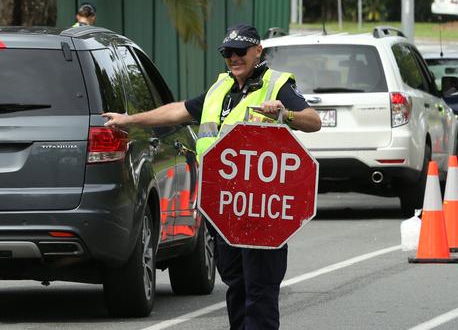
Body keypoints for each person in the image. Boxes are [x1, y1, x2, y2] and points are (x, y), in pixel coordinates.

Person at [103, 23, 321, 329]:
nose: (233, 58)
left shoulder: (277, 85)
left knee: (260, 289)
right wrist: (130, 121)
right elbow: (178, 111)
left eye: (240, 51)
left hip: (261, 209)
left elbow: (313, 121)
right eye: (227, 53)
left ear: (258, 51)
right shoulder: (219, 89)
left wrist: (285, 113)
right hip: (224, 207)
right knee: (236, 285)